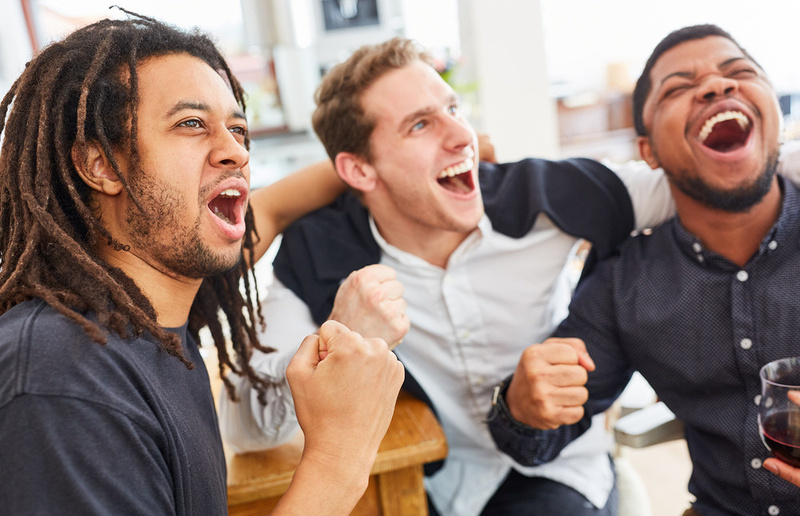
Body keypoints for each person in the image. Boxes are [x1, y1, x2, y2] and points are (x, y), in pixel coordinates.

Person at [219, 37, 685, 516]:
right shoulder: (320, 250)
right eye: (419, 124)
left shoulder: (541, 195)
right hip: (437, 484)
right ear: (356, 170)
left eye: (453, 109)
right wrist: (338, 340)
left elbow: (697, 189)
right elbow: (245, 428)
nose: (461, 136)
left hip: (559, 469)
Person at [0, 11, 404, 515]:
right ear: (100, 165)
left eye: (238, 129)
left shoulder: (156, 316)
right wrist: (339, 458)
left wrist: (392, 161)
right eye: (191, 124)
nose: (235, 150)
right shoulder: (61, 380)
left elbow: (274, 207)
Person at [486, 24, 800, 516]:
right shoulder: (625, 284)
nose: (717, 86)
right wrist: (522, 405)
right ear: (647, 150)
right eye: (678, 88)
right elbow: (535, 439)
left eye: (738, 72)